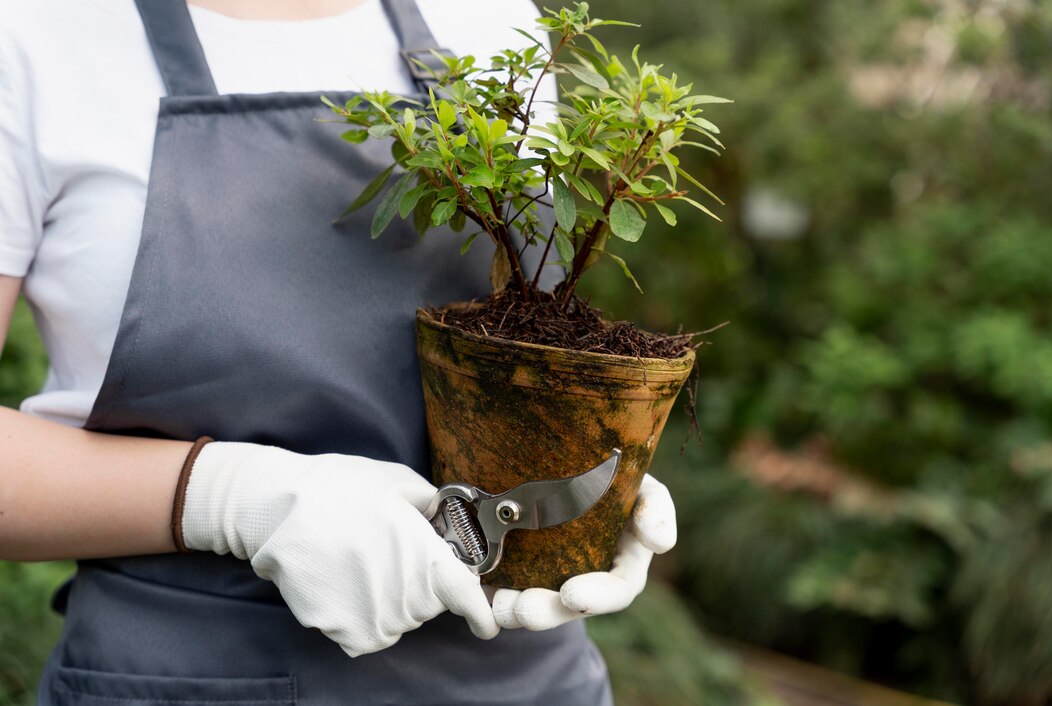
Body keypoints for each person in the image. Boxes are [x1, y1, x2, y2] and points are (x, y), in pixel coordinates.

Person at [0, 1, 678, 703]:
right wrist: (233, 498)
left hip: (522, 675)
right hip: (193, 675)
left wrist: (586, 469)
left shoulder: (493, 19)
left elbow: (525, 331)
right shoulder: (37, 35)